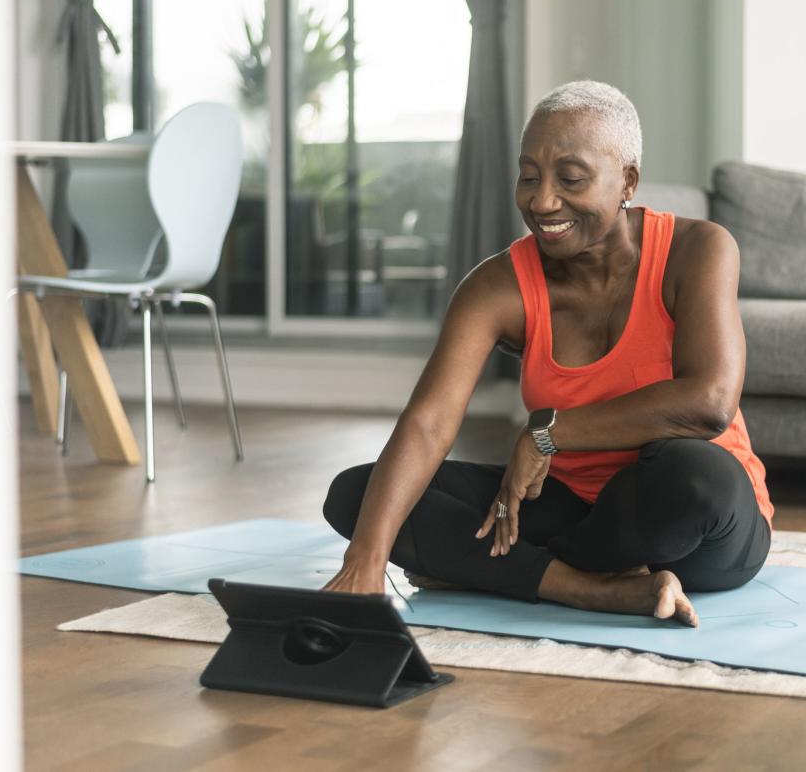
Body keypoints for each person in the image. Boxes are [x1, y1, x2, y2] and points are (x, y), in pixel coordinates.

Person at [322, 80, 774, 626]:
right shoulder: (497, 286)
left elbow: (710, 402)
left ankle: (505, 570)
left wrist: (548, 432)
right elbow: (429, 422)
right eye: (529, 177)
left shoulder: (697, 248)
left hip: (691, 525)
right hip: (567, 507)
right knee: (360, 497)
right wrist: (364, 563)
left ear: (627, 179)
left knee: (696, 474)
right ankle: (590, 589)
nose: (542, 201)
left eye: (571, 179)